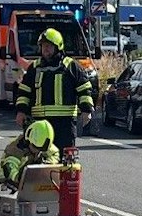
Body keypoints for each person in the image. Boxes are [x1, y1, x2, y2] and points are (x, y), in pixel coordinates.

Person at [15, 27, 93, 155]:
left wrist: (86, 110)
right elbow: (24, 92)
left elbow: (84, 89)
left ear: (58, 47)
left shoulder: (70, 66)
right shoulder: (34, 67)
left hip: (64, 124)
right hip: (39, 123)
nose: (45, 49)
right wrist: (21, 111)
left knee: (65, 159)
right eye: (43, 46)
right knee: (38, 156)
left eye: (49, 46)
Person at [0, 119, 60, 191]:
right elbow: (9, 168)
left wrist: (46, 165)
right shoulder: (15, 149)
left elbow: (54, 154)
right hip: (12, 177)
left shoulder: (43, 143)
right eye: (35, 147)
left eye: (40, 149)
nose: (37, 151)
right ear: (28, 140)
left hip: (32, 175)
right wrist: (21, 179)